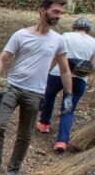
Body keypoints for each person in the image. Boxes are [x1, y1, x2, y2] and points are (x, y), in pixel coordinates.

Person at [0, 0, 73, 175]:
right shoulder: (21, 35)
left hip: (36, 92)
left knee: (25, 135)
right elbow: (2, 58)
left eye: (61, 13)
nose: (59, 16)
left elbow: (65, 70)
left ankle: (13, 170)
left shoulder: (58, 40)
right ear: (42, 11)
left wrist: (69, 95)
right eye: (55, 11)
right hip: (12, 87)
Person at [37, 17, 95, 152]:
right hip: (79, 79)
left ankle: (44, 123)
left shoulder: (66, 36)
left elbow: (55, 56)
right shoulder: (94, 42)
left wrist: (47, 70)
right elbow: (93, 65)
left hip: (59, 75)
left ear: (74, 26)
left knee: (49, 95)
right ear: (88, 29)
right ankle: (61, 141)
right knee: (68, 110)